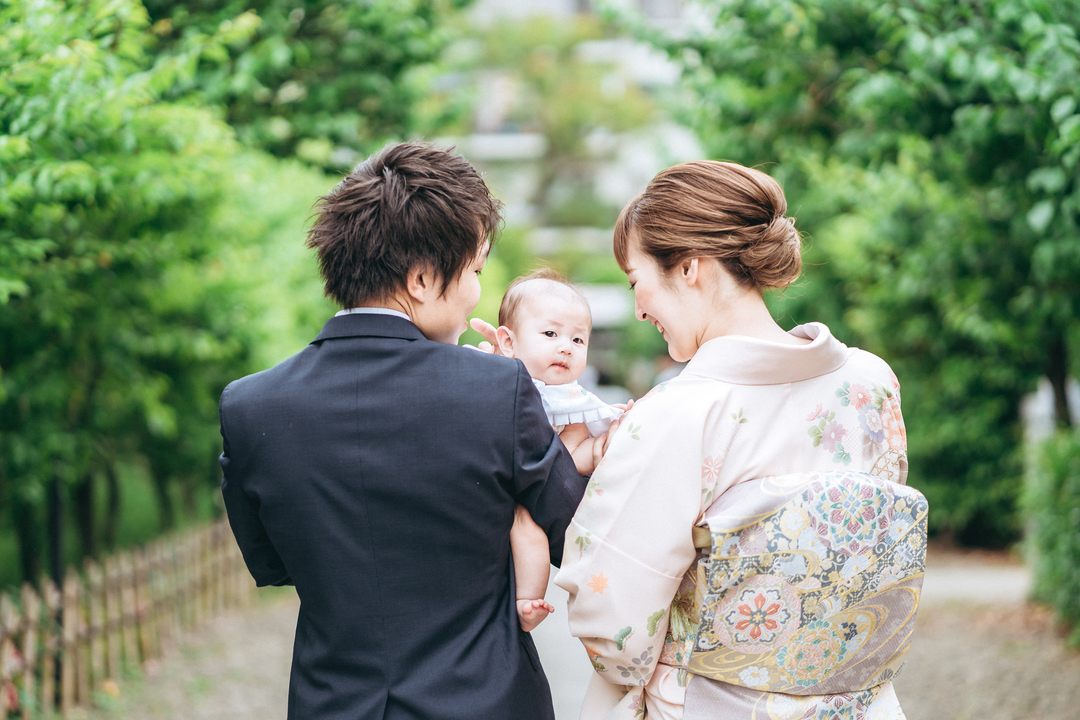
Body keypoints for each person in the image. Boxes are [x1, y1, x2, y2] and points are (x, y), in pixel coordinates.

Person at [219, 142, 589, 720]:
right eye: (473, 271)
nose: (474, 292)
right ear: (420, 278)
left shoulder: (249, 407)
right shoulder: (498, 388)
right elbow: (578, 532)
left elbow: (274, 564)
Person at [554, 160, 926, 720]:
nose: (637, 308)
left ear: (688, 268)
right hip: (860, 703)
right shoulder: (870, 383)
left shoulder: (679, 414)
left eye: (637, 282)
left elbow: (618, 629)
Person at [490, 269, 624, 632]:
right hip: (492, 488)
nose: (566, 346)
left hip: (531, 500)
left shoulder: (575, 404)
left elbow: (568, 462)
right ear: (509, 342)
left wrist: (598, 446)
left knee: (527, 525)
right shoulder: (496, 379)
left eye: (578, 340)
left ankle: (528, 600)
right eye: (550, 334)